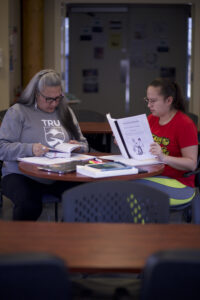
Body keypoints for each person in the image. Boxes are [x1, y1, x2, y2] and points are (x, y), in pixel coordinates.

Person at [0, 69, 89, 221]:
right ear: (36, 93)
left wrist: (78, 146)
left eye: (58, 98)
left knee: (85, 197)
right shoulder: (18, 112)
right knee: (29, 204)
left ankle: (67, 238)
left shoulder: (65, 112)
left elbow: (84, 144)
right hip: (21, 175)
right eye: (48, 99)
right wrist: (30, 149)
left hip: (60, 175)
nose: (53, 104)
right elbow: (2, 148)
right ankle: (21, 243)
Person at [136, 77, 198, 208]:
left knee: (134, 189)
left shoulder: (185, 124)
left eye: (153, 101)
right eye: (148, 100)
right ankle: (139, 227)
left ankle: (141, 228)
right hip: (154, 176)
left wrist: (163, 157)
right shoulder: (151, 119)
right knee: (124, 184)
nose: (149, 105)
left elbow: (191, 164)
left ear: (169, 100)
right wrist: (126, 143)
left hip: (180, 185)